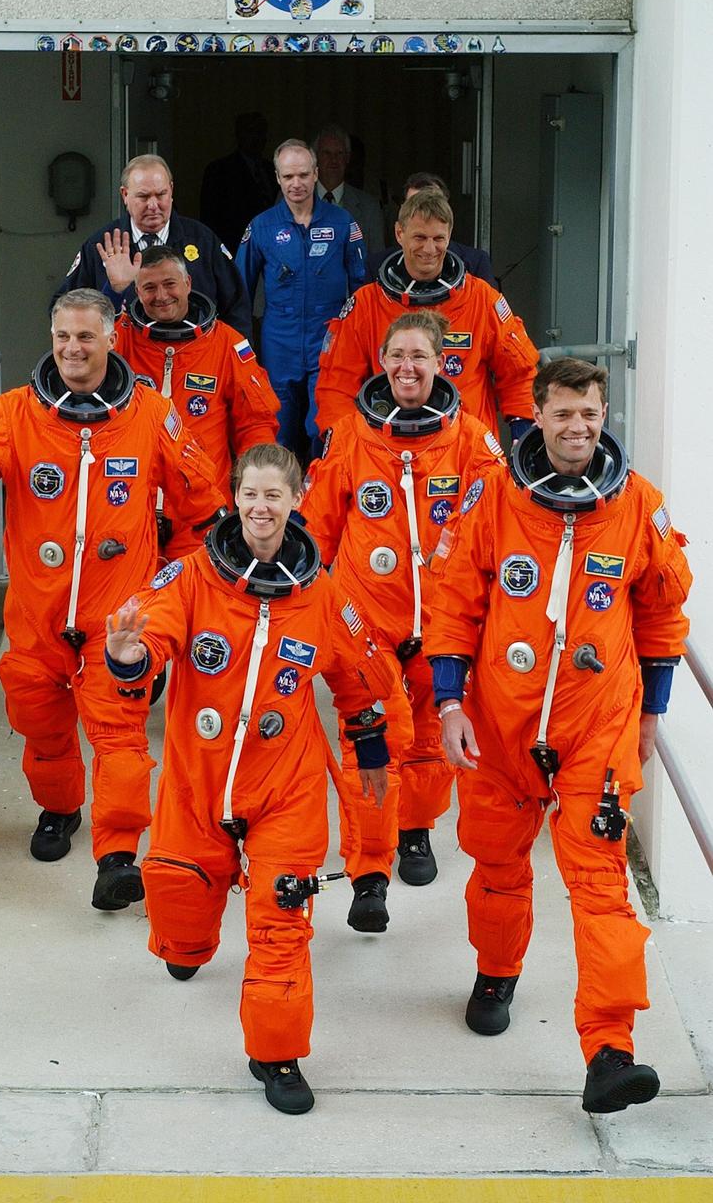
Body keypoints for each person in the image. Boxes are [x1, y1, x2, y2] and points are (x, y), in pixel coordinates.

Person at [427, 358, 692, 1114]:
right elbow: (452, 603)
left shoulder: (638, 507)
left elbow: (662, 612)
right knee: (497, 867)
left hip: (595, 725)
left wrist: (650, 712)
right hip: (500, 725)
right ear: (534, 417)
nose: (578, 428)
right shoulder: (494, 499)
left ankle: (609, 1049)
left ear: (604, 416)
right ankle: (496, 970)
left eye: (590, 414)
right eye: (563, 414)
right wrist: (449, 705)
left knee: (600, 885)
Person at [104, 443, 395, 1115]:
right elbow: (152, 641)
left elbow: (361, 684)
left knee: (282, 922)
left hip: (284, 789)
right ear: (235, 500)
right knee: (179, 905)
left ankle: (276, 1053)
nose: (260, 508)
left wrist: (372, 754)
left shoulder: (323, 595)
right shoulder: (189, 579)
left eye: (274, 495)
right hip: (197, 783)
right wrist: (128, 656)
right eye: (250, 495)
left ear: (295, 501)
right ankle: (187, 940)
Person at [0, 290, 227, 911]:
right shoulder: (17, 413)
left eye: (85, 337)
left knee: (120, 736)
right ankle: (60, 808)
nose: (72, 348)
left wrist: (169, 585)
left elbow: (202, 506)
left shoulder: (151, 413)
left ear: (112, 337)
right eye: (63, 336)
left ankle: (117, 857)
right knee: (40, 726)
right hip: (37, 620)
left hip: (116, 619)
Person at [301, 311, 505, 931]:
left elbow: (501, 530)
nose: (407, 367)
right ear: (381, 362)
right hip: (368, 625)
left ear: (442, 363)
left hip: (444, 625)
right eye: (397, 356)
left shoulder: (472, 440)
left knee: (430, 745)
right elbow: (315, 533)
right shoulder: (349, 437)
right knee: (371, 745)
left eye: (419, 355)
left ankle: (415, 828)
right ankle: (368, 873)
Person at [315, 188, 538, 442]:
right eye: (419, 237)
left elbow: (520, 376)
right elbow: (336, 386)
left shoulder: (482, 300)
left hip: (466, 451)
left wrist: (523, 436)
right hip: (386, 451)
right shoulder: (367, 304)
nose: (429, 249)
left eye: (438, 238)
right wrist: (342, 443)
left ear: (449, 236)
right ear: (400, 233)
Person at [113, 245, 280, 558]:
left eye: (169, 284)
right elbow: (85, 351)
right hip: (130, 505)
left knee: (194, 602)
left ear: (188, 283)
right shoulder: (119, 340)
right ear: (137, 291)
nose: (161, 295)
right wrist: (114, 289)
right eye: (149, 287)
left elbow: (256, 422)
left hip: (201, 511)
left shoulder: (226, 343)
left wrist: (254, 488)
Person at [236, 139, 366, 454]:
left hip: (328, 337)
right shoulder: (262, 226)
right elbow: (239, 289)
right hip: (279, 336)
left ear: (316, 174)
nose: (297, 184)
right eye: (289, 176)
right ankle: (283, 499)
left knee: (326, 423)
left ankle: (320, 494)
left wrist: (359, 340)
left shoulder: (342, 222)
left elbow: (363, 288)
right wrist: (242, 345)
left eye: (304, 175)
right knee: (277, 423)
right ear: (278, 178)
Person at [53, 154, 252, 339]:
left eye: (161, 194)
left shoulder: (203, 240)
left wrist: (234, 358)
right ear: (125, 195)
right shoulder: (101, 245)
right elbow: (62, 308)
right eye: (143, 196)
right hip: (127, 361)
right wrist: (113, 291)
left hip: (195, 361)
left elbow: (236, 306)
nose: (153, 205)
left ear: (171, 191)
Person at [367, 172, 496, 287]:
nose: (425, 210)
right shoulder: (376, 266)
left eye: (433, 203)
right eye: (414, 204)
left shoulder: (476, 264)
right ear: (399, 232)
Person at [199, 112, 277, 256]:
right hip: (235, 250)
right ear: (238, 135)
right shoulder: (220, 170)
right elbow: (210, 219)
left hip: (272, 248)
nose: (255, 138)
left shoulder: (272, 169)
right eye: (250, 131)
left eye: (260, 132)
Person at [313, 124, 385, 256]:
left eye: (339, 153)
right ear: (315, 158)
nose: (333, 160)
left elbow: (377, 260)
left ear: (347, 158)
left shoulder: (369, 207)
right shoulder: (291, 199)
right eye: (327, 153)